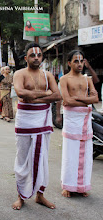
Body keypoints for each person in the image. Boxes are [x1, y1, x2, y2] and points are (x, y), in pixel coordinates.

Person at [12, 42, 61, 210]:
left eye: (39, 55)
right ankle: (21, 196)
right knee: (23, 158)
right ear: (26, 58)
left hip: (42, 119)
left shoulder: (48, 75)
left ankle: (40, 195)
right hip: (25, 119)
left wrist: (34, 98)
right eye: (32, 55)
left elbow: (57, 95)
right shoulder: (19, 73)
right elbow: (20, 93)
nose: (36, 58)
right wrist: (44, 94)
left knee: (42, 159)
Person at [60, 50, 98, 198]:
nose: (80, 64)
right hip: (72, 120)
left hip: (85, 120)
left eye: (81, 61)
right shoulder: (64, 79)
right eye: (76, 61)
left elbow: (95, 99)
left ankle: (82, 186)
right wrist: (84, 99)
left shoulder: (87, 79)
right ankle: (68, 186)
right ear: (69, 63)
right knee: (71, 154)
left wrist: (77, 98)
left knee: (86, 154)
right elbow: (67, 101)